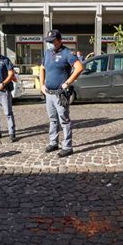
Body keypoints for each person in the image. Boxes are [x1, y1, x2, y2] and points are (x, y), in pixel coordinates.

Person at [40, 29, 84, 157]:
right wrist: (42, 85)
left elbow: (79, 67)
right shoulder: (47, 53)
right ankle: (53, 142)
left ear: (59, 41)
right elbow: (42, 68)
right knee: (52, 119)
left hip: (60, 94)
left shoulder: (67, 53)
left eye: (52, 41)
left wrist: (67, 83)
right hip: (49, 93)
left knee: (64, 120)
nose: (49, 44)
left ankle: (67, 146)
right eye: (48, 42)